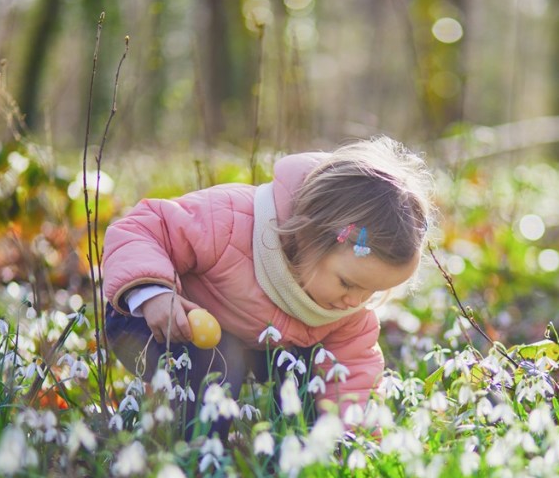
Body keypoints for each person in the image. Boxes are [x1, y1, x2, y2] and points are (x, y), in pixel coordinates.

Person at [101, 136, 434, 433]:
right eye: (347, 283)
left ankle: (300, 446)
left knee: (310, 370)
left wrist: (354, 435)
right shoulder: (229, 221)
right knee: (216, 364)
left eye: (372, 291)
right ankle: (196, 447)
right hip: (154, 321)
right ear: (310, 236)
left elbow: (353, 375)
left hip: (248, 345)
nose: (355, 301)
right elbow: (141, 229)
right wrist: (154, 293)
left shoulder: (348, 312)